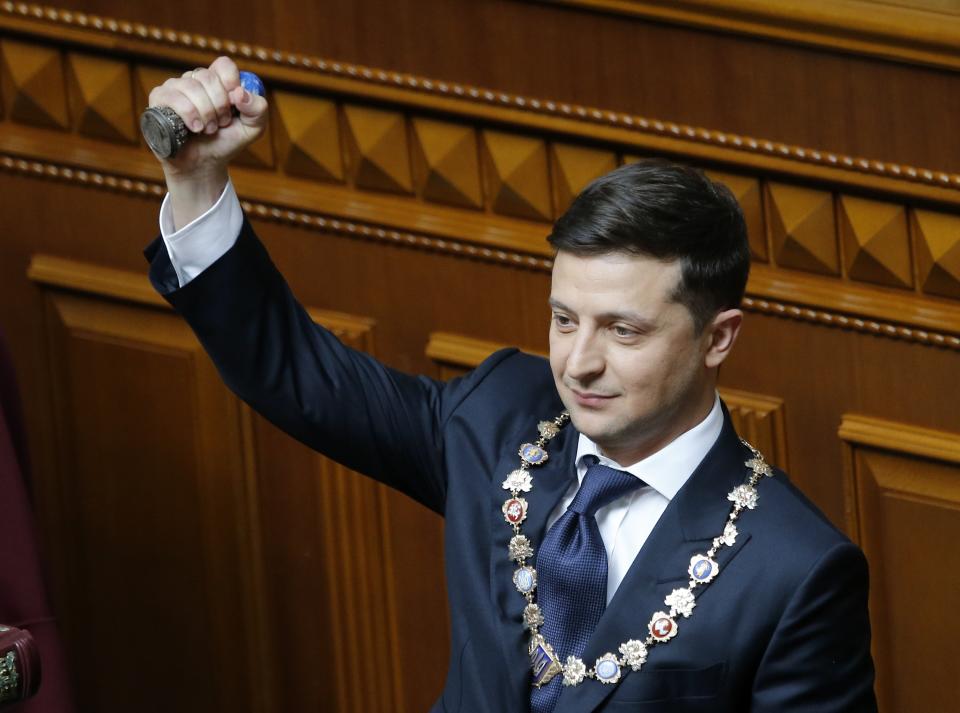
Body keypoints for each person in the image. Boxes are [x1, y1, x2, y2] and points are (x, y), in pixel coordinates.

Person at [144, 57, 877, 712]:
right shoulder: (497, 413)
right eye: (564, 319)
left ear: (718, 336)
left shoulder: (796, 568)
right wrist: (197, 181)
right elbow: (298, 372)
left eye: (623, 331)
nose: (578, 363)